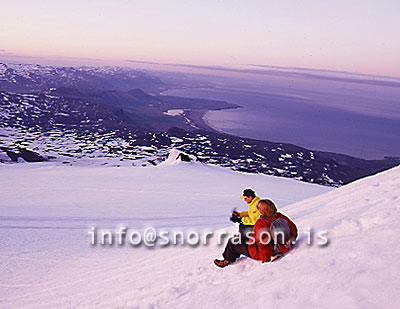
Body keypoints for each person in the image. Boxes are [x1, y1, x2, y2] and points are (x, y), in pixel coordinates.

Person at [214, 199, 298, 268]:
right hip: (283, 245)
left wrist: (266, 260)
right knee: (243, 236)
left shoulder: (261, 223)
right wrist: (290, 242)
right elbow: (293, 228)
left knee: (233, 242)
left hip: (261, 252)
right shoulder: (279, 216)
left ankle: (226, 260)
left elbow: (264, 244)